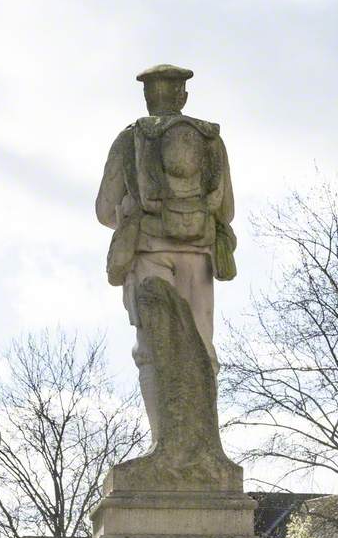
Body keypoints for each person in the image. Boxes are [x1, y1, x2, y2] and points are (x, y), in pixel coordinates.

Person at [96, 65, 236, 442]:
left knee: (152, 349)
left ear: (147, 97)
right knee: (202, 348)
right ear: (183, 97)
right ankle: (204, 444)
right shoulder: (210, 141)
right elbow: (226, 211)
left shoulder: (130, 140)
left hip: (149, 251)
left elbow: (104, 210)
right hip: (198, 254)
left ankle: (164, 441)